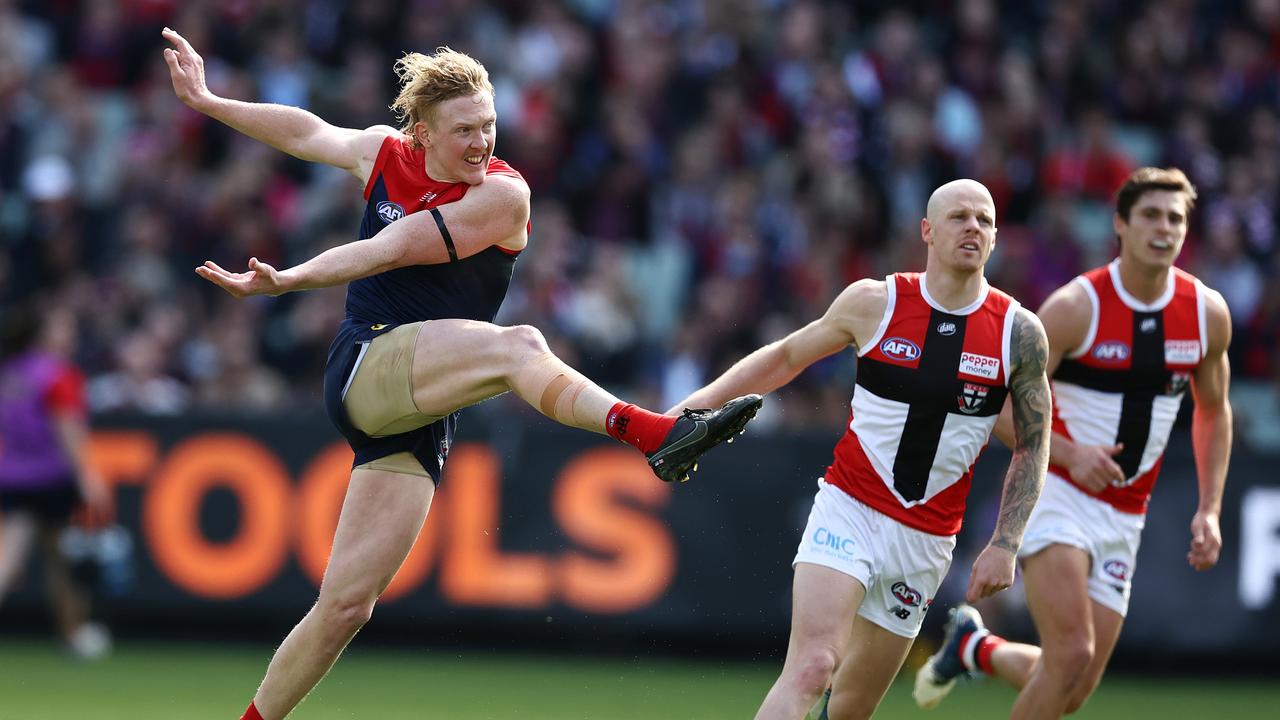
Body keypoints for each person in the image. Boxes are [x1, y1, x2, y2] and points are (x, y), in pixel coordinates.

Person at [161, 28, 762, 720]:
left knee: (347, 607)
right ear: (420, 132)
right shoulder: (385, 156)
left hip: (418, 408)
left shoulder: (506, 196)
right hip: (367, 364)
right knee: (520, 345)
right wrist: (209, 102)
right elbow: (310, 134)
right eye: (465, 130)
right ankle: (653, 434)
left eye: (490, 125)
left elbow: (398, 243)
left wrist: (291, 276)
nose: (483, 143)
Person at [671, 179, 1052, 720]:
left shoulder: (1019, 333)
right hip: (849, 507)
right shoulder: (877, 302)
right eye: (959, 216)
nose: (973, 227)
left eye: (985, 220)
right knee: (812, 666)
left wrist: (1006, 542)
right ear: (927, 230)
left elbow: (1034, 443)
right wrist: (690, 409)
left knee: (849, 708)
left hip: (926, 540)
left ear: (994, 239)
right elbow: (785, 357)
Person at [914, 167, 1233, 719]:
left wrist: (1209, 509)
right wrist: (1070, 453)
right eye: (1151, 215)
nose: (1165, 228)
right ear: (1121, 225)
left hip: (1126, 514)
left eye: (1176, 218)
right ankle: (974, 648)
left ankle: (973, 648)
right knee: (1071, 655)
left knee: (1073, 685)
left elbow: (1213, 409)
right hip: (1055, 493)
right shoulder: (1075, 308)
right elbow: (992, 401)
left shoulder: (1206, 314)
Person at [0, 303, 115, 659]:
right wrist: (88, 477)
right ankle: (75, 635)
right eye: (63, 326)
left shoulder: (11, 372)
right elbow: (68, 431)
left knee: (32, 556)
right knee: (58, 560)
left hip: (13, 475)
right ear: (44, 332)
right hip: (52, 478)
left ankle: (73, 633)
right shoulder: (58, 375)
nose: (70, 333)